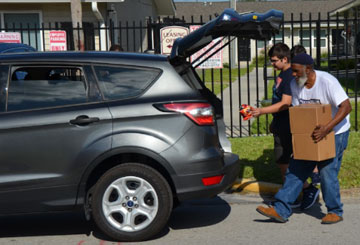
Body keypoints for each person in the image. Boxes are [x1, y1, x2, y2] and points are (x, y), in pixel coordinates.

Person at [256, 53, 352, 224]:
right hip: (313, 131)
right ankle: (280, 210)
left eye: (296, 71)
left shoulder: (327, 81)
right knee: (296, 169)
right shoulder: (295, 84)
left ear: (308, 69)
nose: (293, 75)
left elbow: (346, 107)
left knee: (326, 171)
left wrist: (327, 128)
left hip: (335, 131)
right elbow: (300, 112)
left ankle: (335, 211)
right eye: (292, 71)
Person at [251, 43, 293, 184]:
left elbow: (285, 103)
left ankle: (298, 193)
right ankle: (292, 195)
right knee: (282, 161)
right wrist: (274, 122)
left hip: (288, 124)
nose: (272, 64)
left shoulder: (289, 76)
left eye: (275, 61)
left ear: (285, 59)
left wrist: (261, 111)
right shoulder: (282, 74)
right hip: (280, 123)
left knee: (284, 160)